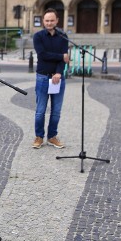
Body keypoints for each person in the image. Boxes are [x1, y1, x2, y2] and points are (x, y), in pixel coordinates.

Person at [32, 8, 69, 149]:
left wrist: (59, 72)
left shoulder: (63, 36)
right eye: (47, 20)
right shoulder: (38, 36)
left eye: (52, 20)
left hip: (58, 78)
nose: (49, 23)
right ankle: (39, 137)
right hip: (43, 77)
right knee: (40, 110)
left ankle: (52, 136)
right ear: (43, 21)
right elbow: (43, 55)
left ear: (57, 21)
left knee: (56, 111)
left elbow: (64, 59)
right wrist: (61, 57)